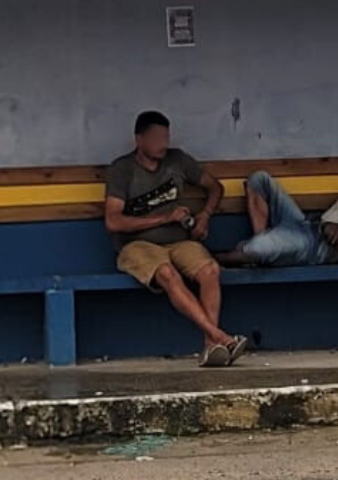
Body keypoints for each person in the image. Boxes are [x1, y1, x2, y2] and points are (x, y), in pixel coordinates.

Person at [104, 111, 248, 367]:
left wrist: (204, 216)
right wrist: (164, 218)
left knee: (210, 270)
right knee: (168, 275)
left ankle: (210, 346)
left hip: (180, 242)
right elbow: (113, 221)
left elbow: (215, 186)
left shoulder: (177, 160)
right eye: (157, 137)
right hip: (138, 245)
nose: (163, 143)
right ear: (139, 139)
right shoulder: (122, 169)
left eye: (166, 136)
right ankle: (219, 336)